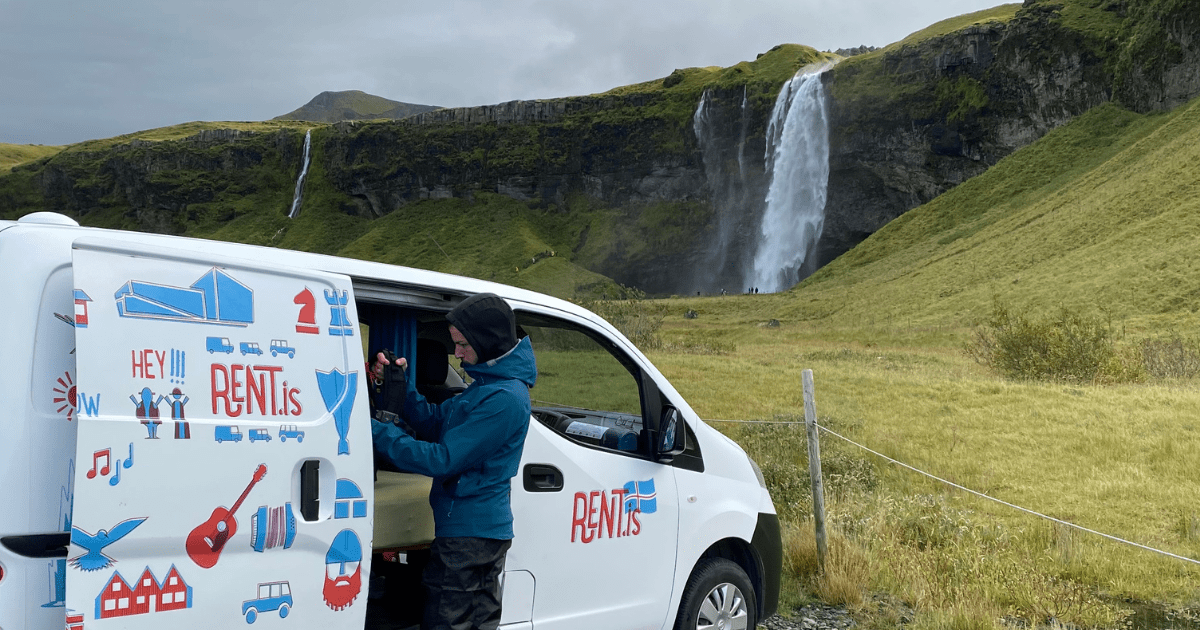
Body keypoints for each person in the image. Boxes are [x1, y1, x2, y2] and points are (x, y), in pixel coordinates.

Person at [371, 292, 537, 630]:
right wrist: (401, 389)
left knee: (448, 622)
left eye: (463, 344)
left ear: (487, 342)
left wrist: (372, 430)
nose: (456, 353)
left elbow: (442, 459)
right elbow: (435, 422)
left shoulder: (504, 399)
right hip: (470, 533)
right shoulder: (486, 387)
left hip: (470, 538)